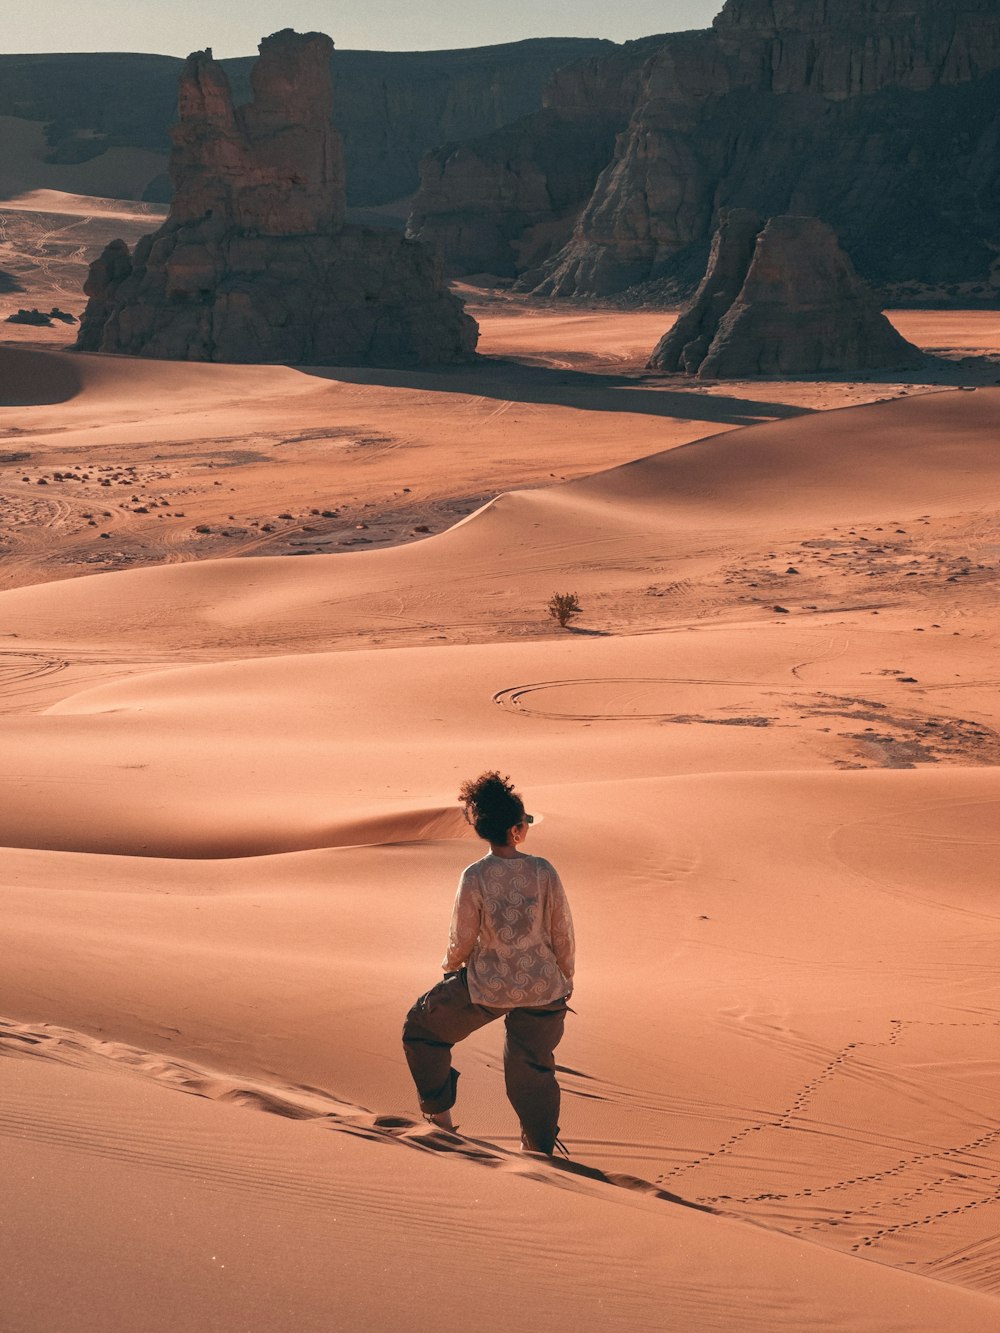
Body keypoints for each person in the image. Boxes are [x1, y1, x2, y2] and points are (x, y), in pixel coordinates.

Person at [402, 771, 575, 1156]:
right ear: (517, 829)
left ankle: (440, 1124)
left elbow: (462, 934)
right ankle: (539, 1150)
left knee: (421, 1030)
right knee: (532, 1072)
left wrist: (452, 970)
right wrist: (566, 975)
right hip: (544, 987)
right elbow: (561, 929)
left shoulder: (475, 875)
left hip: (487, 986)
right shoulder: (543, 870)